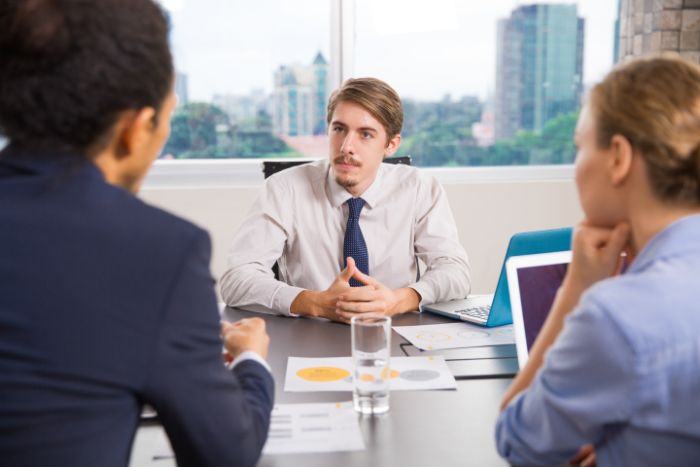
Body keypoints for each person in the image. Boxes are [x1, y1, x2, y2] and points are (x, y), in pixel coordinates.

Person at [0, 1, 273, 466]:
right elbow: (226, 454)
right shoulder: (159, 253)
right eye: (165, 117)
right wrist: (252, 360)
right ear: (135, 128)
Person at [496, 55, 700, 466]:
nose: (576, 169)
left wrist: (577, 289)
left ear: (618, 158)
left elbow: (518, 441)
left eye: (580, 147)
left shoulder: (618, 316)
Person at [220, 78, 471, 323]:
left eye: (365, 134)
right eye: (339, 129)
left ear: (391, 144)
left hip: (394, 333)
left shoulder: (420, 188)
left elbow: (455, 271)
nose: (346, 147)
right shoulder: (284, 189)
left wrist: (399, 300)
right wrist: (316, 303)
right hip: (309, 337)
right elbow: (237, 279)